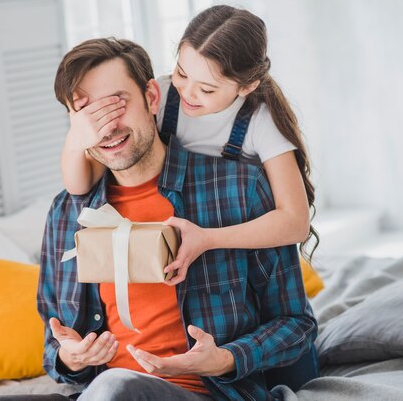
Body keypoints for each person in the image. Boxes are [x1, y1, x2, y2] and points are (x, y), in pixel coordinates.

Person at [35, 37, 317, 401]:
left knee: (117, 387)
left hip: (205, 393)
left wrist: (224, 359)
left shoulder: (237, 189)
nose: (106, 127)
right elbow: (52, 345)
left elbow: (297, 325)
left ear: (152, 97)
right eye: (88, 113)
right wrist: (70, 357)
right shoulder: (65, 213)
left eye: (117, 104)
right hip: (99, 392)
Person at [60, 5, 319, 286]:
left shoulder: (260, 121)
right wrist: (76, 141)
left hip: (234, 246)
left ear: (246, 87)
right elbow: (80, 185)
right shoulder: (161, 95)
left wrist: (207, 239)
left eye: (207, 89)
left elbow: (295, 222)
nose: (187, 93)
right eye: (182, 73)